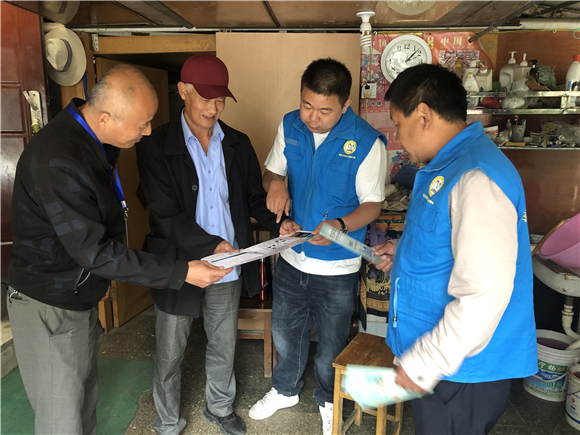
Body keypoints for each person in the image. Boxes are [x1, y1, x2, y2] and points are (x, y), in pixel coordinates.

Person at [7, 64, 231, 435]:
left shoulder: (91, 142)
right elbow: (93, 251)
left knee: (84, 404)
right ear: (106, 118)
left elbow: (91, 238)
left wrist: (97, 280)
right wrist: (183, 271)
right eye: (143, 124)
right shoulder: (59, 159)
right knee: (61, 420)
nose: (148, 131)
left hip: (76, 293)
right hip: (49, 304)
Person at [135, 53, 298, 435]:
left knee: (223, 344)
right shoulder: (155, 145)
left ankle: (220, 408)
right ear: (183, 91)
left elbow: (254, 199)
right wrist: (212, 244)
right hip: (179, 266)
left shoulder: (237, 143)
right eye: (206, 97)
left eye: (220, 99)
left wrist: (280, 223)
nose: (213, 107)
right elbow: (166, 214)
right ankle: (167, 421)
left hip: (228, 265)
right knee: (170, 352)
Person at [373, 63, 537, 435]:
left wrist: (425, 361)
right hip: (447, 368)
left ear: (424, 115)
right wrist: (404, 252)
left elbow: (483, 295)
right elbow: (451, 242)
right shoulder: (449, 167)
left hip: (461, 373)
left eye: (397, 124)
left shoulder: (476, 177)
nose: (397, 136)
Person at [249, 58, 387, 435]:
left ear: (345, 106)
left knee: (331, 344)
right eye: (307, 105)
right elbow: (272, 172)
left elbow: (372, 205)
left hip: (338, 264)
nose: (313, 118)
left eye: (325, 111)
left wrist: (340, 225)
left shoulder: (366, 142)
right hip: (292, 254)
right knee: (285, 333)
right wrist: (275, 184)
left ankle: (328, 399)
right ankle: (285, 390)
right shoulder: (289, 124)